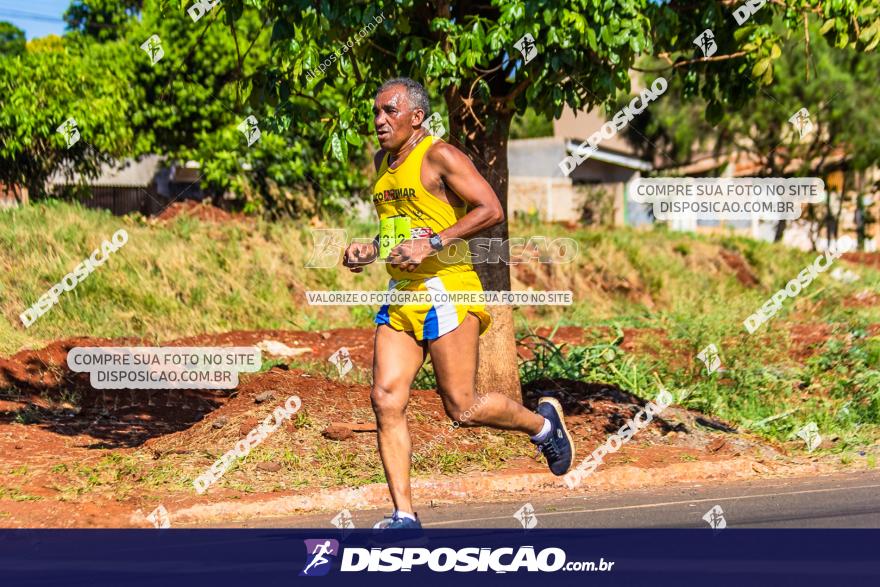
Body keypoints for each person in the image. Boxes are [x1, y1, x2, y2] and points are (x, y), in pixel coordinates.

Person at [343, 78, 574, 531]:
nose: (379, 120)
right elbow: (398, 230)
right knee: (385, 398)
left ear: (417, 117)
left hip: (448, 286)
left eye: (390, 111)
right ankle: (404, 517)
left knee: (462, 407)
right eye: (375, 112)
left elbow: (490, 208)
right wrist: (369, 249)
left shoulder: (440, 155)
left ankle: (543, 425)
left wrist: (433, 243)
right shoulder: (382, 163)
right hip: (404, 294)